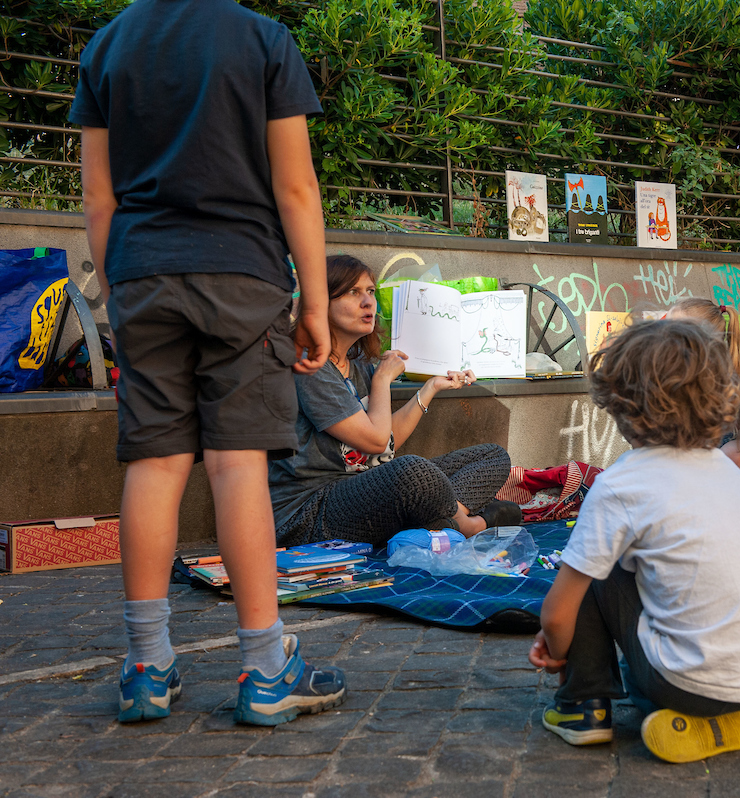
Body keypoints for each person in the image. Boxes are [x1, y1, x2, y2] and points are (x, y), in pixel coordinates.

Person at [72, 0, 345, 725]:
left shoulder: (108, 44)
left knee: (154, 464)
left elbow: (99, 197)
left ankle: (145, 666)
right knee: (237, 465)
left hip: (140, 276)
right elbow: (296, 188)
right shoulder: (263, 40)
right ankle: (264, 670)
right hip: (242, 275)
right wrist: (314, 301)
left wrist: (121, 290)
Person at [529, 320, 740, 764]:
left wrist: (555, 646)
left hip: (681, 681)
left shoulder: (622, 483)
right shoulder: (733, 473)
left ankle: (582, 706)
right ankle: (725, 719)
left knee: (593, 565)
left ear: (621, 404)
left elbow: (557, 611)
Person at [269, 255, 517, 547]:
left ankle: (437, 520)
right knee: (410, 473)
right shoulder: (309, 366)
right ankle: (467, 525)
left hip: (368, 490)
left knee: (492, 456)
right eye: (353, 292)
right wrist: (382, 380)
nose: (368, 302)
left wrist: (430, 389)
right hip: (312, 512)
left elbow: (385, 443)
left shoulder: (358, 365)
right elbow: (375, 442)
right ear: (321, 301)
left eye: (371, 291)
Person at [665, 298, 740, 475]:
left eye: (673, 330)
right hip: (688, 450)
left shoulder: (735, 369)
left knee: (736, 455)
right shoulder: (666, 370)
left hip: (728, 447)